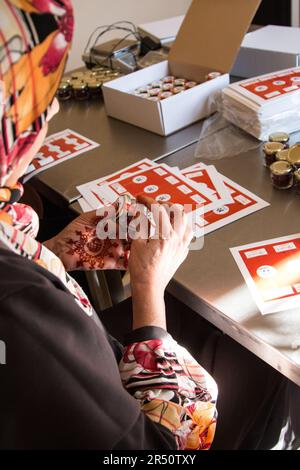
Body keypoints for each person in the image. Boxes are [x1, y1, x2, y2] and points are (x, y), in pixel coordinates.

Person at [0, 0, 217, 450]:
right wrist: (149, 286)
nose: (53, 112)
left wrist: (54, 254)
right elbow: (149, 450)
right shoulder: (18, 308)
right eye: (39, 94)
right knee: (271, 377)